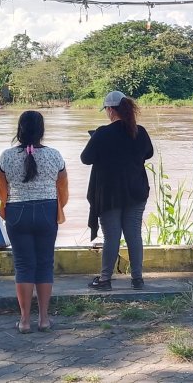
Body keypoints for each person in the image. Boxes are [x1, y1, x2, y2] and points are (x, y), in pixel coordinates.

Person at [0, 110, 68, 333]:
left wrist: (8, 206)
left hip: (17, 212)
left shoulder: (6, 156)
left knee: (24, 265)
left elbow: (0, 187)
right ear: (41, 131)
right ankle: (44, 319)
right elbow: (62, 188)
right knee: (45, 264)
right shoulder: (55, 155)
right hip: (46, 211)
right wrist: (58, 209)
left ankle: (25, 321)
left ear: (20, 130)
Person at [80, 91, 154, 291]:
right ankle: (137, 279)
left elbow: (85, 158)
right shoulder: (140, 131)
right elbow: (148, 153)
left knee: (112, 236)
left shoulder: (102, 133)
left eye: (106, 109)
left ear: (111, 110)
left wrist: (96, 139)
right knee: (134, 235)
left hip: (109, 194)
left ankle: (105, 280)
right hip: (136, 192)